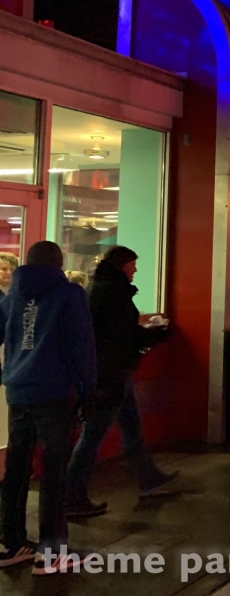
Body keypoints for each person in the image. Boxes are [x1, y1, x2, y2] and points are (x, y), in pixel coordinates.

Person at [0, 241, 96, 575]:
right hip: (55, 394)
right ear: (59, 263)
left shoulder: (12, 295)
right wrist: (87, 390)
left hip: (18, 391)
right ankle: (51, 552)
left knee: (16, 469)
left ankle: (10, 543)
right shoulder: (70, 295)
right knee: (54, 471)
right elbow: (80, 346)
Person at [66, 246, 177, 519]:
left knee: (131, 427)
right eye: (133, 265)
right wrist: (154, 335)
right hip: (110, 375)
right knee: (93, 435)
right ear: (123, 265)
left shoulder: (97, 288)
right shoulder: (115, 293)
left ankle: (149, 477)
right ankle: (70, 496)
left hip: (109, 372)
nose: (136, 270)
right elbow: (121, 336)